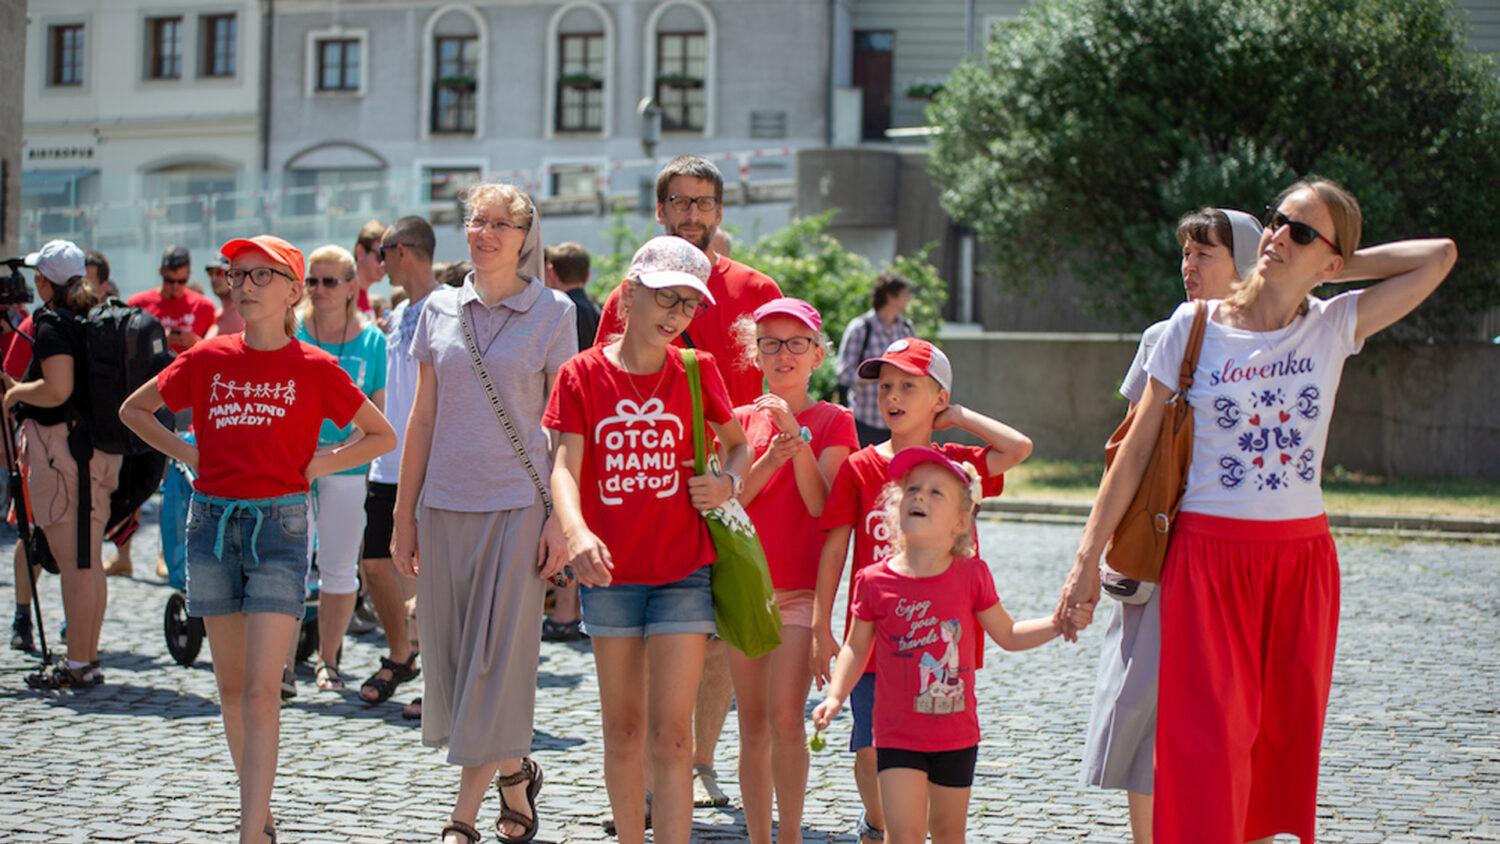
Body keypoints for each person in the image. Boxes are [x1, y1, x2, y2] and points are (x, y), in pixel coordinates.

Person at [1055, 178, 1457, 844]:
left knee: (1277, 750)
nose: (1276, 236)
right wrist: (1084, 562)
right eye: (1276, 222)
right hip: (1207, 561)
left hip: (1301, 563)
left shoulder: (1332, 324)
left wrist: (1327, 268)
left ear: (1330, 261)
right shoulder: (1193, 327)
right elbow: (1132, 455)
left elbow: (1439, 256)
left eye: (1299, 230)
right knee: (1206, 750)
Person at [120, 234, 395, 844]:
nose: (242, 285)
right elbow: (134, 412)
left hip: (282, 526)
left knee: (262, 689)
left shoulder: (316, 367)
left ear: (294, 291)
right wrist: (188, 450)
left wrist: (319, 464)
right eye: (236, 275)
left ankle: (249, 830)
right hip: (212, 526)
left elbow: (381, 436)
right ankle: (260, 813)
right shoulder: (208, 358)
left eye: (259, 275)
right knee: (230, 688)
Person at [544, 235, 751, 844]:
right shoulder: (580, 374)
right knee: (624, 730)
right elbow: (562, 466)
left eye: (689, 305)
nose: (676, 315)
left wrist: (728, 483)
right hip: (609, 573)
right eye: (666, 298)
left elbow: (736, 443)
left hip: (683, 569)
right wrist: (576, 529)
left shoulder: (696, 369)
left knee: (674, 735)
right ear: (630, 294)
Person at [596, 154, 783, 807]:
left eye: (704, 203)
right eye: (681, 202)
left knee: (718, 634)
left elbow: (772, 389)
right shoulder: (631, 293)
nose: (693, 214)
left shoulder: (758, 291)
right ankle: (650, 775)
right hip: (644, 475)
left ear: (721, 212)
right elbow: (602, 380)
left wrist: (743, 479)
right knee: (654, 638)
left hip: (734, 477)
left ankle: (696, 761)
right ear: (661, 210)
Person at [393, 184, 575, 844]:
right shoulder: (438, 307)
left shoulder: (554, 312)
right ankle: (515, 772)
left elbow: (565, 427)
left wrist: (561, 516)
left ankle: (459, 819)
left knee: (493, 664)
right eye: (477, 219)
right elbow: (422, 416)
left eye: (501, 223)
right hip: (443, 504)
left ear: (527, 236)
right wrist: (402, 516)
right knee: (451, 663)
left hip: (519, 507)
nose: (485, 232)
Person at [1080, 207, 1262, 843]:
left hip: (1238, 553)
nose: (1189, 266)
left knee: (1238, 716)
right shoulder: (1165, 334)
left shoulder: (1279, 338)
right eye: (1186, 253)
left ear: (1246, 261)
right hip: (1163, 549)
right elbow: (1132, 448)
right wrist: (1091, 554)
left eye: (1205, 253)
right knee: (1145, 713)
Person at [811, 337, 1032, 844]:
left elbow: (1019, 449)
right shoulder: (860, 467)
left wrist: (961, 416)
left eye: (909, 386)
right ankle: (877, 821)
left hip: (943, 645)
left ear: (938, 397)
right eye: (886, 386)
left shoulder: (958, 468)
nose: (892, 395)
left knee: (935, 760)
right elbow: (835, 550)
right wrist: (822, 625)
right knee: (868, 751)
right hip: (875, 643)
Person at [811, 447, 1086, 844]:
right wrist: (835, 697)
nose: (920, 496)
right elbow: (856, 647)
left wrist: (1057, 623)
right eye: (912, 489)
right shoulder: (873, 581)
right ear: (895, 507)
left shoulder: (972, 576)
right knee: (903, 834)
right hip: (895, 734)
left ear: (961, 523)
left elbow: (1007, 635)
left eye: (935, 492)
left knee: (947, 833)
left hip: (955, 735)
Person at [727, 297, 856, 844]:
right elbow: (732, 501)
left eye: (796, 343)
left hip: (803, 593)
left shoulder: (834, 421)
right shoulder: (736, 421)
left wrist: (796, 439)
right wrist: (769, 454)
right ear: (754, 353)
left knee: (785, 719)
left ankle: (791, 835)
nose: (784, 354)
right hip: (747, 591)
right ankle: (760, 836)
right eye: (771, 343)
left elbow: (822, 505)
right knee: (751, 725)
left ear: (817, 355)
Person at [0, 240, 115, 687]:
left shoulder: (51, 322)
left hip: (64, 452)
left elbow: (57, 389)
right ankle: (87, 657)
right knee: (90, 561)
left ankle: (78, 663)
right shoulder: (89, 315)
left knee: (75, 565)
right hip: (96, 452)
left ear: (43, 280)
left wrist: (15, 393)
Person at [294, 244, 387, 691]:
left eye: (330, 281)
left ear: (352, 287)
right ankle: (279, 663)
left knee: (337, 567)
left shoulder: (372, 341)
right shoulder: (290, 331)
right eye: (313, 280)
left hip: (347, 466)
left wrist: (330, 458)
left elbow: (379, 415)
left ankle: (327, 661)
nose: (320, 289)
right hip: (290, 466)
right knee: (287, 567)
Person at [358, 216, 440, 708]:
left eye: (382, 250)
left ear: (403, 251)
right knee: (376, 563)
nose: (376, 259)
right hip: (387, 463)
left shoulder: (446, 309)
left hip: (427, 463)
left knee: (431, 579)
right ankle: (401, 653)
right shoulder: (403, 311)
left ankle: (438, 682)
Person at [541, 241, 601, 642]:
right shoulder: (594, 307)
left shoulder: (562, 309)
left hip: (571, 419)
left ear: (553, 271)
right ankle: (570, 608)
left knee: (566, 513)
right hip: (595, 420)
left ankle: (565, 611)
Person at [837, 273, 916, 448]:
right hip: (865, 422)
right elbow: (844, 374)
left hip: (900, 422)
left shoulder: (906, 328)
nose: (908, 298)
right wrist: (879, 376)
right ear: (890, 296)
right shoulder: (861, 328)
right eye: (905, 294)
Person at [206, 254, 246, 339]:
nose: (213, 279)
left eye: (219, 272)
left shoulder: (242, 313)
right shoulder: (219, 313)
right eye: (210, 273)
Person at [353, 219, 387, 314]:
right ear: (360, 252)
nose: (384, 264)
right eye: (381, 257)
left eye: (388, 258)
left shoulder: (364, 298)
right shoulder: (345, 297)